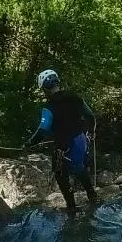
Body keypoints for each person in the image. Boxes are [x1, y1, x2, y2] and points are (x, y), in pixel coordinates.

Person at [24, 68, 99, 211]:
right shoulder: (75, 97)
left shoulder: (48, 107)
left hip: (65, 145)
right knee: (79, 168)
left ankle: (71, 207)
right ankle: (92, 195)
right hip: (81, 141)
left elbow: (43, 129)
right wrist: (92, 131)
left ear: (44, 89)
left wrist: (29, 143)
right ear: (57, 81)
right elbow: (90, 116)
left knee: (59, 174)